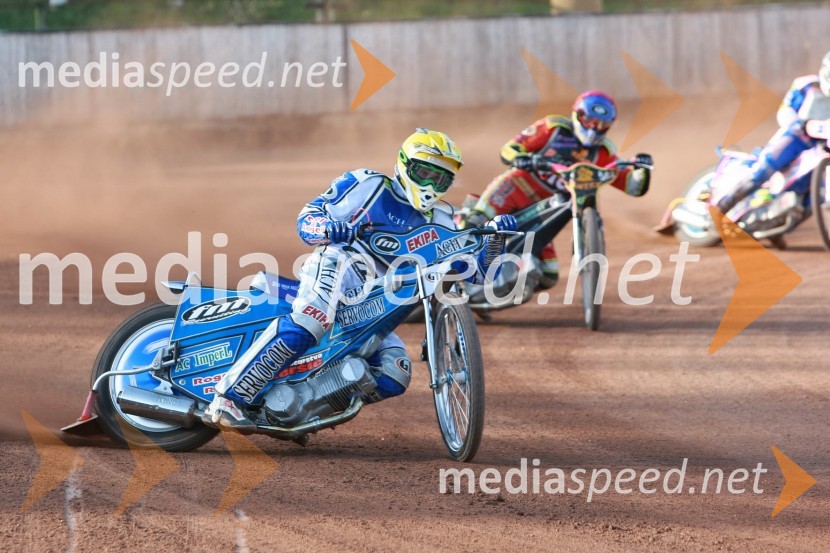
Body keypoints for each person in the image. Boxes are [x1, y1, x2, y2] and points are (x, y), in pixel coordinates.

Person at [204, 129, 516, 430]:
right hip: (341, 264)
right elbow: (308, 216)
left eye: (441, 178)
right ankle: (228, 398)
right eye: (425, 173)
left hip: (380, 297)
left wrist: (497, 240)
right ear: (404, 165)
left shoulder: (443, 220)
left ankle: (302, 407)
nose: (432, 184)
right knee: (311, 320)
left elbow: (478, 273)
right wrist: (328, 229)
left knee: (395, 374)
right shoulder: (367, 184)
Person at [463, 90, 652, 289]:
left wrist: (643, 170)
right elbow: (510, 148)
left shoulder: (604, 152)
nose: (594, 128)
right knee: (476, 222)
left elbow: (632, 186)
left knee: (549, 274)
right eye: (589, 120)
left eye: (601, 124)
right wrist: (521, 157)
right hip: (515, 189)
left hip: (546, 209)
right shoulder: (553, 128)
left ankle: (493, 287)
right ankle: (453, 266)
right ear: (577, 115)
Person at [716, 50, 830, 215]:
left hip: (822, 148)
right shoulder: (806, 85)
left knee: (814, 194)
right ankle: (722, 205)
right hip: (798, 137)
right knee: (765, 168)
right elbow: (785, 111)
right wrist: (799, 125)